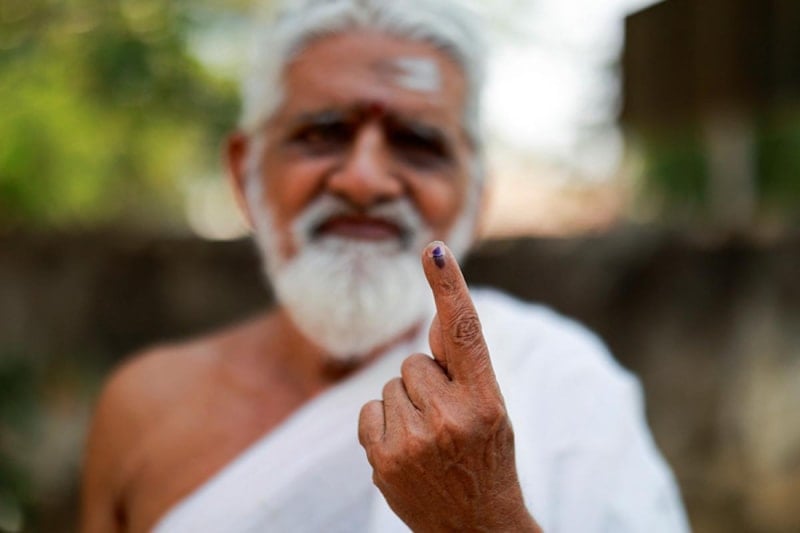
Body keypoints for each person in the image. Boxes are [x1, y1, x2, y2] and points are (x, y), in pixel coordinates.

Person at [80, 1, 690, 531]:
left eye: (418, 142)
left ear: (476, 195)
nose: (365, 181)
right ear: (245, 174)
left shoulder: (568, 385)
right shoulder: (145, 409)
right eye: (323, 132)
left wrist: (484, 518)